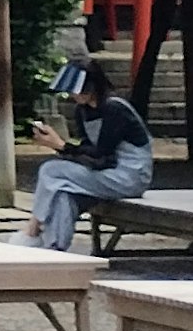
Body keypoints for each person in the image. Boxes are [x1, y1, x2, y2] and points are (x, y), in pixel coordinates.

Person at [24, 60, 153, 250]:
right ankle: (55, 248)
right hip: (105, 173)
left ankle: (32, 229)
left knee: (50, 170)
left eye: (79, 90)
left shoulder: (114, 108)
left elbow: (102, 155)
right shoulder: (82, 112)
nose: (75, 95)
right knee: (63, 194)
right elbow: (86, 151)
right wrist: (61, 148)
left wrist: (61, 145)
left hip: (129, 176)